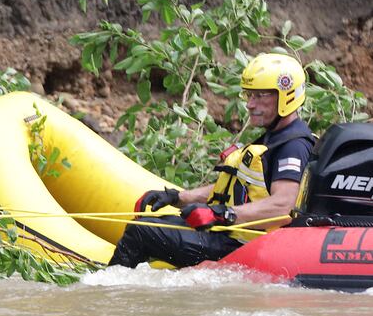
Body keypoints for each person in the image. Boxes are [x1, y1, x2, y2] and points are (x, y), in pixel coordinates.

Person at [109, 53, 315, 268]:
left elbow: (282, 205)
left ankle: (106, 289)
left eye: (260, 96)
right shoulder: (274, 136)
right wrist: (176, 197)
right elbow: (233, 188)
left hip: (245, 248)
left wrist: (225, 214)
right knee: (146, 223)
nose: (250, 105)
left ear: (286, 96)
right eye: (249, 95)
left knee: (141, 232)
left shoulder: (293, 145)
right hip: (229, 235)